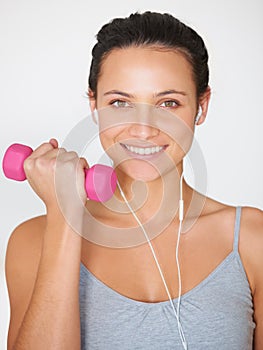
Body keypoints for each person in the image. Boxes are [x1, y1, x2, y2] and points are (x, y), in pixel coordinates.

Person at [5, 11, 263, 350]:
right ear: (94, 105)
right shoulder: (33, 240)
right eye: (120, 102)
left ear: (202, 106)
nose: (143, 129)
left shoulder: (250, 239)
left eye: (168, 103)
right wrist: (66, 218)